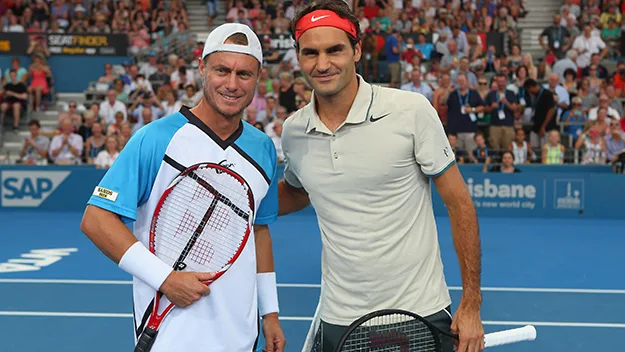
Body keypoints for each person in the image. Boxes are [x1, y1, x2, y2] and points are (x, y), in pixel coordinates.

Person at [279, 1, 484, 351]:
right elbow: (299, 192)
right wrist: (241, 204)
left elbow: (459, 203)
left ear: (357, 50)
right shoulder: (294, 131)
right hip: (338, 317)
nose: (323, 63)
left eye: (335, 50)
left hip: (420, 312)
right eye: (310, 52)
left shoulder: (411, 111)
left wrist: (471, 303)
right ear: (298, 56)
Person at [79, 23, 285, 352]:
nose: (232, 84)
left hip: (241, 333)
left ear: (258, 77)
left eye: (244, 74)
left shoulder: (263, 148)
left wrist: (270, 313)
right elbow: (96, 219)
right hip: (171, 335)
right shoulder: (155, 138)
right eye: (222, 70)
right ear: (202, 68)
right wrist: (166, 280)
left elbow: (258, 231)